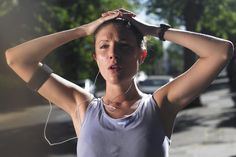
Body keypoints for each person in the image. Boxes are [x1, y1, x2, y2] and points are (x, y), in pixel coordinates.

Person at [5, 8, 234, 157]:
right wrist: (84, 30)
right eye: (104, 46)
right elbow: (17, 59)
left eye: (124, 46)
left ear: (140, 56)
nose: (113, 54)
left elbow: (221, 52)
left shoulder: (161, 105)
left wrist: (153, 30)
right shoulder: (80, 106)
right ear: (95, 58)